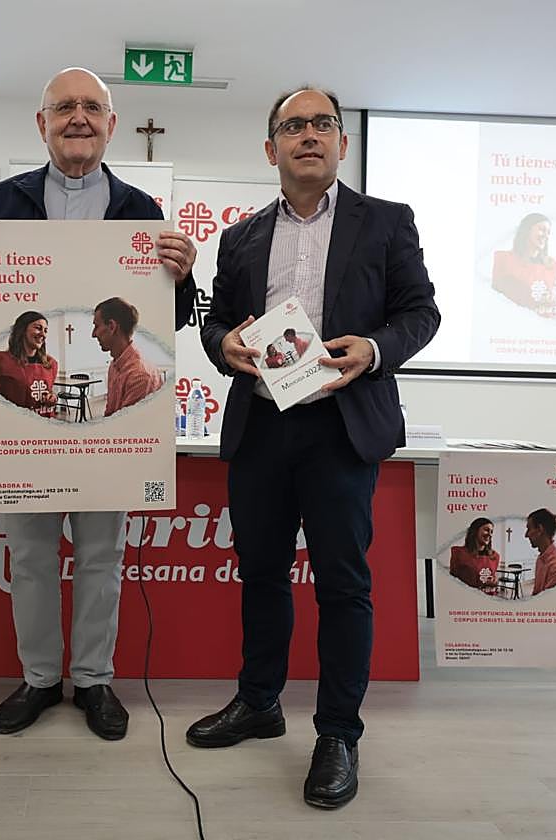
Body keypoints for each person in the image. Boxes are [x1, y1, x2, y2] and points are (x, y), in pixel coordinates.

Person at [191, 85, 440, 809]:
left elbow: (420, 312)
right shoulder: (239, 238)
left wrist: (373, 347)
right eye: (293, 126)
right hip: (264, 425)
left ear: (341, 143)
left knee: (342, 585)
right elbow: (216, 328)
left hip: (341, 428)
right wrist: (223, 345)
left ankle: (337, 733)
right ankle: (259, 702)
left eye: (322, 124)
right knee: (261, 575)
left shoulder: (386, 223)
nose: (309, 135)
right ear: (271, 149)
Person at [0, 67, 198, 741]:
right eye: (65, 108)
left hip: (109, 436)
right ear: (42, 124)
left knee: (100, 557)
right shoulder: (3, 199)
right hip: (25, 429)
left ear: (111, 125)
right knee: (27, 557)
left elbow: (181, 316)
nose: (78, 117)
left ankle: (92, 680)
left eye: (92, 107)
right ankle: (36, 679)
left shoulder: (143, 209)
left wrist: (185, 269)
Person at [92, 296, 162, 416]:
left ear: (112, 326)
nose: (93, 334)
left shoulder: (139, 375)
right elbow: (110, 414)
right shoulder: (114, 365)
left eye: (97, 326)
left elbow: (126, 428)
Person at [0, 311, 59, 417]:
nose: (43, 334)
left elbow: (49, 391)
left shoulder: (50, 364)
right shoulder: (2, 362)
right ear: (22, 330)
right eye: (38, 328)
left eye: (45, 330)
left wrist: (53, 397)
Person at [491, 213, 556, 311]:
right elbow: (495, 298)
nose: (546, 236)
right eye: (542, 230)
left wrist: (551, 298)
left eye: (548, 232)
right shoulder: (503, 259)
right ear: (526, 230)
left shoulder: (551, 265)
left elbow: (549, 297)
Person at [526, 508, 556, 596]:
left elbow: (547, 604)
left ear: (540, 530)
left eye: (529, 529)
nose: (526, 535)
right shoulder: (541, 558)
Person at [448, 517, 500, 592]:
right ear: (475, 531)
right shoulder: (459, 553)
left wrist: (494, 582)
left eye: (491, 531)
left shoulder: (495, 556)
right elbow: (452, 580)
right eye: (486, 530)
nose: (490, 534)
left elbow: (492, 576)